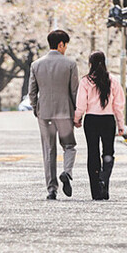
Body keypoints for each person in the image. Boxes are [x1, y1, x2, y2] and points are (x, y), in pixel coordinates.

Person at [28, 29, 80, 200]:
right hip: (64, 112)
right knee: (69, 146)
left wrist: (37, 109)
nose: (66, 49)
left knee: (49, 150)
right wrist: (77, 113)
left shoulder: (36, 65)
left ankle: (52, 189)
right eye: (66, 45)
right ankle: (66, 172)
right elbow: (74, 91)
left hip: (45, 113)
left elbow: (32, 92)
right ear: (61, 44)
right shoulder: (70, 64)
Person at [74, 51, 125, 200]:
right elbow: (118, 106)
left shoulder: (85, 81)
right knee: (108, 152)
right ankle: (104, 180)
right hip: (108, 120)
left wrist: (77, 119)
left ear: (90, 64)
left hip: (91, 120)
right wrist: (121, 124)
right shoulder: (113, 81)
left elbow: (81, 105)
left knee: (93, 153)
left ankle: (96, 192)